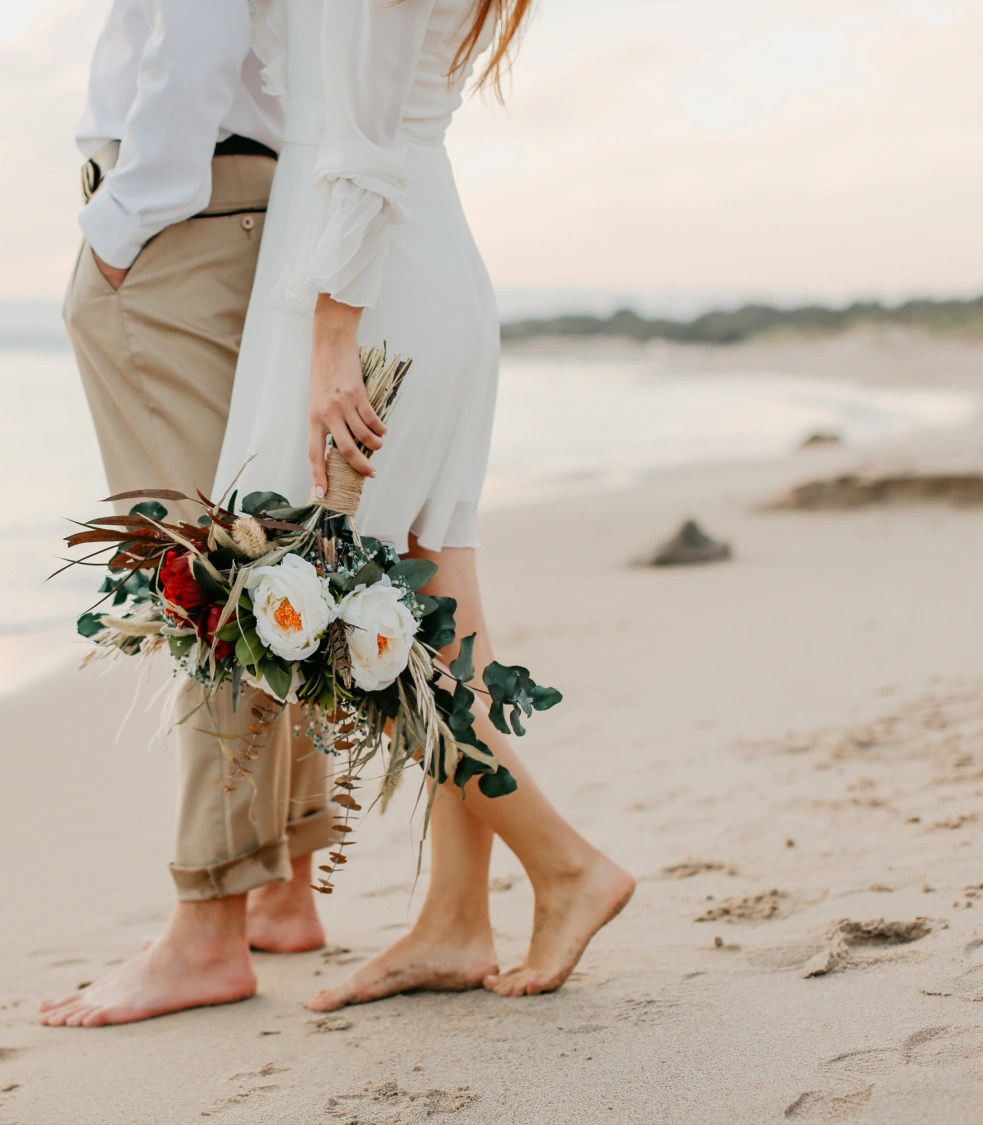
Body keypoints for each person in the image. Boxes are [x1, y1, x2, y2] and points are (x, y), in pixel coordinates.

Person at [211, 0, 635, 1010]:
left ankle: (565, 863)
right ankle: (455, 920)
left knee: (349, 618)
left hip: (369, 289)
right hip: (392, 263)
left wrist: (331, 343)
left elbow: (360, 145)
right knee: (438, 615)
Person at [42, 0, 340, 1028]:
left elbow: (195, 34)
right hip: (259, 199)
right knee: (268, 554)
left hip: (182, 214)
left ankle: (210, 924)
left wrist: (123, 219)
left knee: (207, 575)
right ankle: (284, 887)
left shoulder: (154, 211)